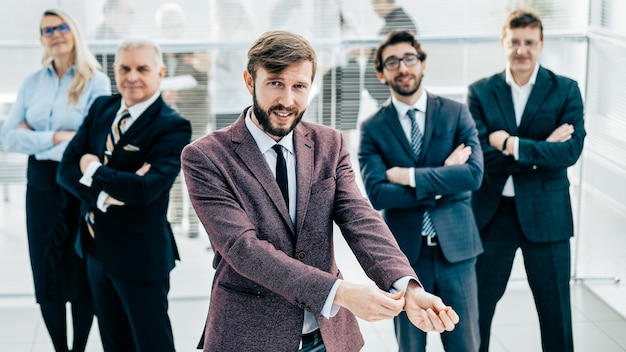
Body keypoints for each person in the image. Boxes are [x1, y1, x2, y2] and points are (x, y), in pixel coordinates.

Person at [181, 30, 459, 352]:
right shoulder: (206, 157)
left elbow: (359, 218)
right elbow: (243, 248)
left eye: (299, 86)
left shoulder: (330, 143)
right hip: (250, 336)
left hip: (326, 337)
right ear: (249, 81)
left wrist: (406, 286)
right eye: (275, 83)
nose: (287, 100)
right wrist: (339, 292)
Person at [57, 38, 191, 351]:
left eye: (142, 68)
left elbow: (145, 191)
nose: (132, 76)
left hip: (139, 258)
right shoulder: (102, 107)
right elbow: (65, 170)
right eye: (124, 68)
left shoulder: (173, 127)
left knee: (151, 343)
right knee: (114, 343)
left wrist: (92, 169)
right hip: (94, 249)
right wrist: (104, 196)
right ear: (114, 70)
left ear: (160, 73)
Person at [467, 8, 585, 352]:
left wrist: (509, 143)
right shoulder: (481, 92)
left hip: (548, 217)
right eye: (515, 42)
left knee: (556, 315)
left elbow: (570, 152)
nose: (522, 50)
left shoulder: (565, 90)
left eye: (529, 42)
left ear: (542, 44)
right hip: (493, 215)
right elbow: (482, 157)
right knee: (478, 311)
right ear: (503, 42)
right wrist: (543, 149)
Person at [358, 30, 483, 351]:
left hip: (457, 252)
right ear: (381, 72)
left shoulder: (457, 113)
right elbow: (378, 194)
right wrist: (444, 177)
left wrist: (409, 177)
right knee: (410, 347)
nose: (403, 67)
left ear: (423, 64)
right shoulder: (373, 128)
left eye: (409, 58)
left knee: (465, 344)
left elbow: (472, 175)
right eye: (393, 62)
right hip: (404, 261)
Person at [0, 9, 110, 352]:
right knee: (44, 269)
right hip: (41, 185)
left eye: (62, 27)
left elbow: (93, 139)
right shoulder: (32, 82)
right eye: (48, 30)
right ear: (42, 39)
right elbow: (8, 137)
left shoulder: (96, 81)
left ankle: (78, 349)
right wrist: (57, 138)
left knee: (78, 269)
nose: (56, 34)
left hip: (78, 182)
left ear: (74, 32)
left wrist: (35, 134)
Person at [155, 2, 210, 237]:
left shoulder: (194, 50)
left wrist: (180, 93)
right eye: (167, 24)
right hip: (167, 120)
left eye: (175, 24)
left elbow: (204, 85)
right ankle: (176, 219)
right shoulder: (156, 51)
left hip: (194, 118)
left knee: (195, 170)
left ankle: (195, 223)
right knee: (171, 168)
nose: (172, 28)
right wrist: (163, 94)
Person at [364, 0, 418, 106]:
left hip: (391, 94)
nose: (374, 10)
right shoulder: (393, 22)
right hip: (386, 96)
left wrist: (366, 50)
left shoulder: (400, 23)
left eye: (375, 5)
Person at [93, 0, 135, 94]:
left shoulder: (124, 36)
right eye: (129, 12)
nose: (132, 17)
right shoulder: (100, 40)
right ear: (112, 13)